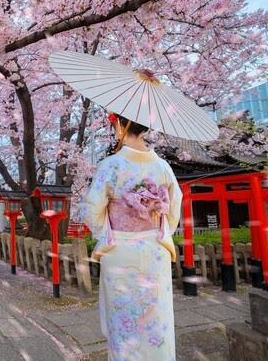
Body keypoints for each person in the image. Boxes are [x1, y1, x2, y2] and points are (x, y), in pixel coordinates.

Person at [83, 113, 182, 360]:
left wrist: (104, 233)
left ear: (119, 125)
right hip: (154, 249)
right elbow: (173, 209)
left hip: (119, 248)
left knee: (123, 317)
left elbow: (93, 209)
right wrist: (160, 230)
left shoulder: (111, 165)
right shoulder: (163, 167)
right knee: (156, 315)